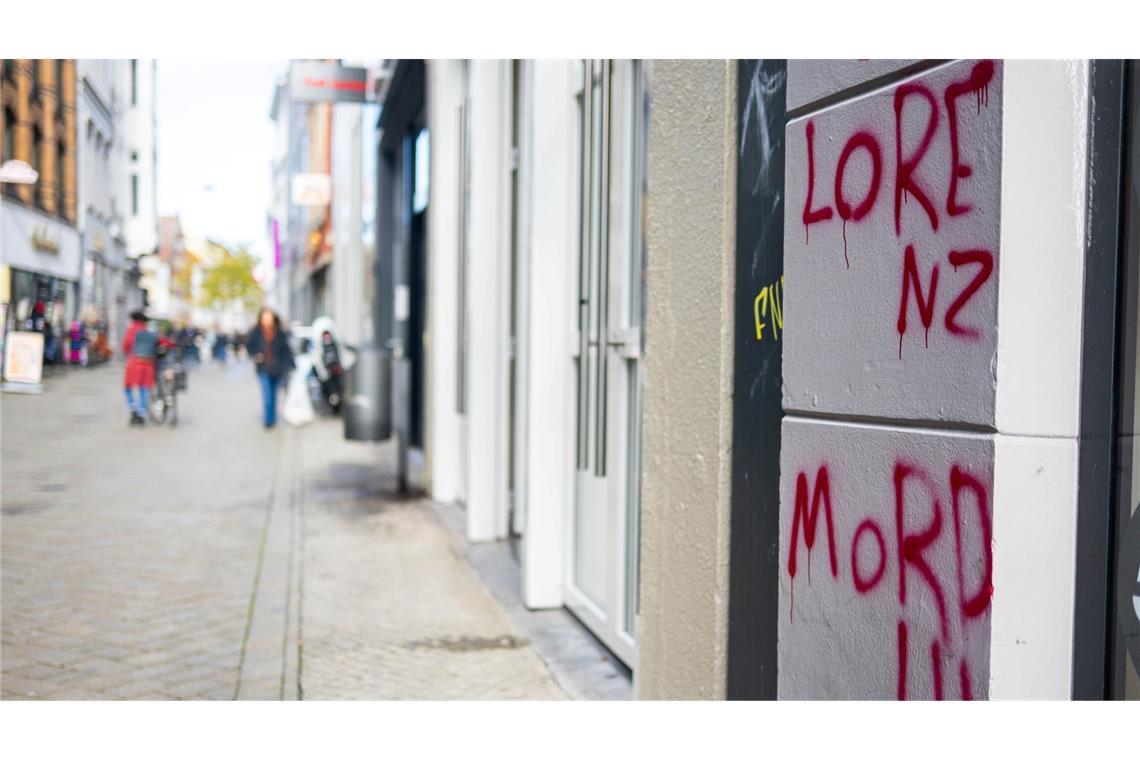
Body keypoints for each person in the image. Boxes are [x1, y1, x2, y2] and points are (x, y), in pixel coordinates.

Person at [245, 307, 294, 429]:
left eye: (269, 319)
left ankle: (273, 416)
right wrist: (256, 355)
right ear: (261, 319)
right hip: (263, 368)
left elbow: (286, 350)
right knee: (267, 394)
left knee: (273, 395)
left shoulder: (280, 333)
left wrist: (289, 365)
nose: (267, 321)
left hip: (277, 369)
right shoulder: (255, 332)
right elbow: (249, 346)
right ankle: (268, 420)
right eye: (265, 319)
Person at [122, 311, 159, 426]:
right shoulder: (148, 331)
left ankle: (133, 407)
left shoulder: (131, 330)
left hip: (135, 362)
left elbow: (126, 346)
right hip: (148, 364)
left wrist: (129, 355)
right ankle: (142, 412)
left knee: (128, 387)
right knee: (144, 389)